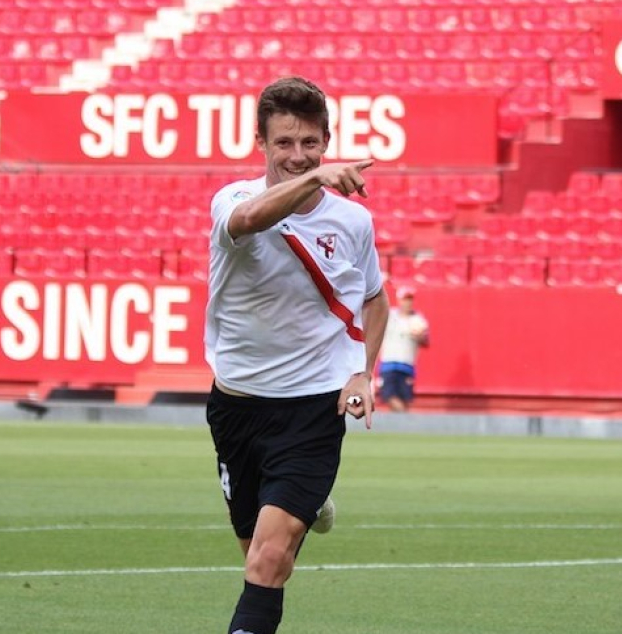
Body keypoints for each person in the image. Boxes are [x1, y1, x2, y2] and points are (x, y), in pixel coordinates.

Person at [204, 77, 390, 634]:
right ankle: (306, 504)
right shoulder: (232, 201)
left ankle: (300, 500)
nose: (297, 154)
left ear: (327, 140)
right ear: (259, 143)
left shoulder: (353, 220)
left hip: (313, 408)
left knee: (268, 559)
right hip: (237, 406)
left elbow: (375, 299)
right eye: (284, 143)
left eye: (310, 143)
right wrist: (313, 178)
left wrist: (362, 372)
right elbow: (250, 222)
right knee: (258, 555)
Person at [377, 286, 429, 412]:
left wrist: (420, 337)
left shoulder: (418, 320)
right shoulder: (389, 315)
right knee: (388, 395)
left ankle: (401, 424)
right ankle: (405, 419)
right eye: (405, 299)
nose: (408, 303)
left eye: (410, 299)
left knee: (404, 398)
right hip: (388, 363)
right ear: (399, 300)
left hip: (406, 364)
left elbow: (426, 342)